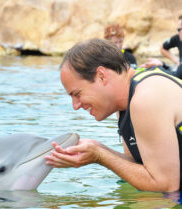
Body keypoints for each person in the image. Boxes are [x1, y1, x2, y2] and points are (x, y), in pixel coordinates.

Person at [45, 38, 182, 192]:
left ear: (102, 75)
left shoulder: (146, 98)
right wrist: (98, 148)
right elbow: (139, 165)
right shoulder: (126, 103)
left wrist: (100, 156)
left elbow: (166, 184)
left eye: (77, 94)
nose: (75, 106)